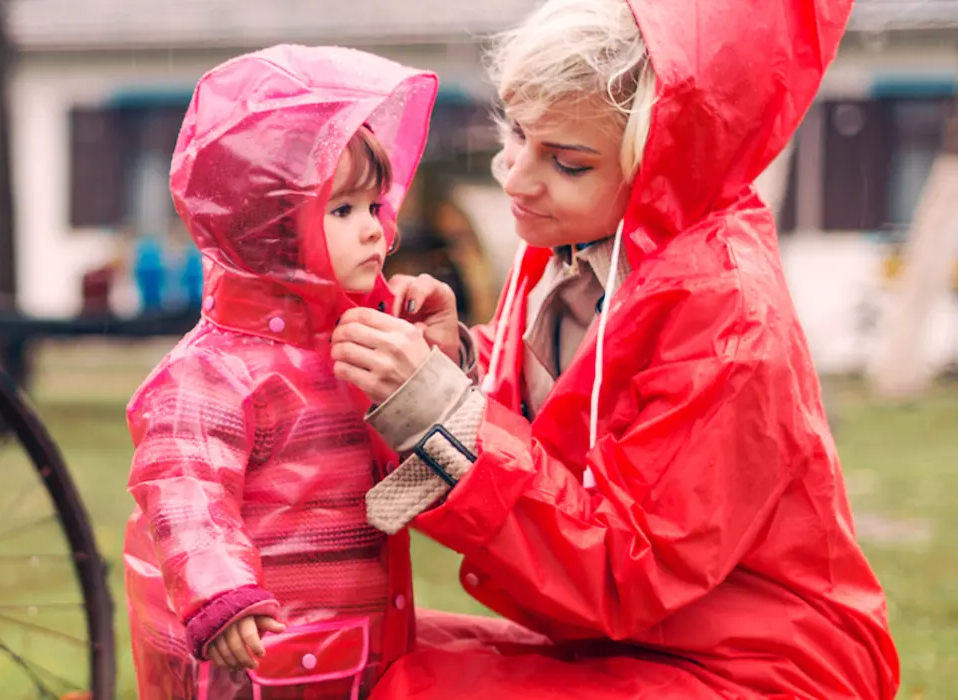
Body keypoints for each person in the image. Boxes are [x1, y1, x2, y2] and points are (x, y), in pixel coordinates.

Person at [328, 0, 901, 697]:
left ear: (664, 161)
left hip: (761, 669)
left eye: (567, 163)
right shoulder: (584, 241)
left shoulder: (729, 319)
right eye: (517, 134)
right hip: (630, 642)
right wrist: (459, 364)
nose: (515, 177)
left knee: (401, 687)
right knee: (351, 643)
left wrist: (440, 410)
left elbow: (626, 568)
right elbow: (566, 426)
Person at [122, 44, 438, 698]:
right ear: (271, 232)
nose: (376, 231)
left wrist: (434, 367)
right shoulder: (213, 372)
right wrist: (221, 590)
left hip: (355, 641)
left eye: (376, 207)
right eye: (343, 210)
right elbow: (182, 490)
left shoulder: (352, 346)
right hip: (258, 654)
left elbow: (399, 490)